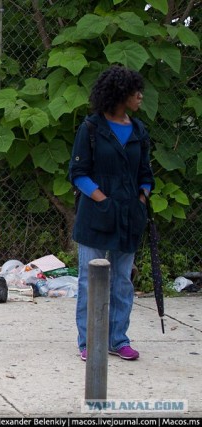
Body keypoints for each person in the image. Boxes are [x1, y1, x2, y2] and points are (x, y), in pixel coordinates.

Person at [68, 65, 154, 362]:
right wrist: (103, 200)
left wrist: (142, 197)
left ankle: (118, 339)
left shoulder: (140, 131)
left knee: (122, 281)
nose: (140, 96)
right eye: (135, 91)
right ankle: (89, 341)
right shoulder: (91, 128)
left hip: (129, 217)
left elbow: (146, 173)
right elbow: (77, 173)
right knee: (89, 280)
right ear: (120, 94)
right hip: (96, 216)